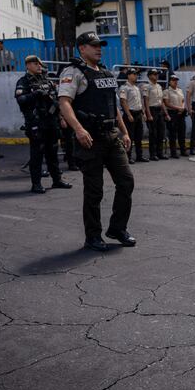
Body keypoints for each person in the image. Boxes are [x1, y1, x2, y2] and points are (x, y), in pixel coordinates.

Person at [58, 31, 135, 252]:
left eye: (99, 45)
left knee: (126, 181)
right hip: (90, 137)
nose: (99, 48)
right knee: (95, 190)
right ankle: (92, 236)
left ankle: (117, 229)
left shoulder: (105, 72)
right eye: (93, 45)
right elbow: (64, 102)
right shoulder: (73, 72)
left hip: (111, 135)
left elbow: (113, 105)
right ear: (82, 48)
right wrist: (79, 130)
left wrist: (125, 132)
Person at [15, 55, 72, 194]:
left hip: (51, 122)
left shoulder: (47, 81)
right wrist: (35, 95)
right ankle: (36, 184)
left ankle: (57, 180)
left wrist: (61, 118)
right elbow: (21, 100)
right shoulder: (24, 82)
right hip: (36, 123)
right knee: (37, 155)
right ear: (28, 65)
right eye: (35, 64)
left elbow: (56, 102)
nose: (39, 66)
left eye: (39, 64)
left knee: (52, 153)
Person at [119, 68, 146, 163]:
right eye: (134, 74)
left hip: (138, 113)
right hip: (130, 113)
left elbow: (140, 102)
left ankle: (139, 156)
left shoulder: (136, 88)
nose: (136, 76)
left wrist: (143, 113)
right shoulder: (124, 88)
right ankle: (128, 156)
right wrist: (129, 114)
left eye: (136, 74)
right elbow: (123, 101)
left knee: (139, 136)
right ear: (129, 75)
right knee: (129, 136)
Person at [144, 68, 167, 160]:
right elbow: (146, 101)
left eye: (157, 74)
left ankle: (160, 153)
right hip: (152, 110)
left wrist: (165, 113)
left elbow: (161, 101)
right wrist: (148, 114)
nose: (156, 76)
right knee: (153, 133)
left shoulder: (159, 86)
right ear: (149, 76)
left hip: (159, 110)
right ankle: (153, 154)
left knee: (161, 132)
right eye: (154, 74)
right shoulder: (146, 87)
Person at [163, 74, 187, 158]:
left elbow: (183, 100)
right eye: (173, 80)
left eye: (176, 80)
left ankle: (183, 150)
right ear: (169, 82)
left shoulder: (179, 90)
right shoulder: (166, 91)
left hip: (181, 113)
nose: (175, 81)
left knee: (182, 133)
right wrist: (178, 108)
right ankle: (173, 152)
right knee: (173, 134)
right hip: (172, 113)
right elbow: (166, 103)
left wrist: (182, 108)